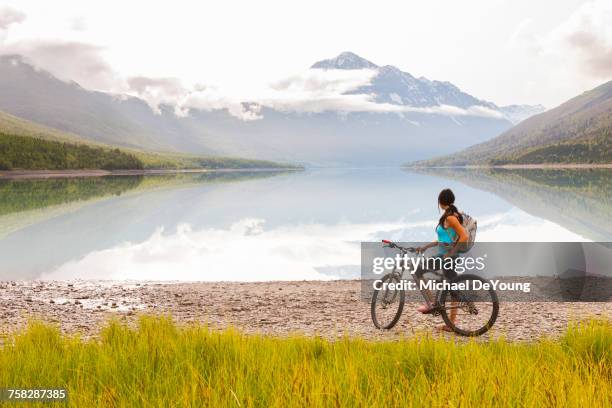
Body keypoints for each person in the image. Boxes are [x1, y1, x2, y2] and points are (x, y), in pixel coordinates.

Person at [414, 188, 468, 332]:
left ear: (440, 201)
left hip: (447, 258)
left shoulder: (450, 217)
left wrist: (451, 253)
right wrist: (426, 246)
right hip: (448, 257)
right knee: (452, 289)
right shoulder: (451, 214)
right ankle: (450, 324)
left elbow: (464, 236)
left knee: (418, 270)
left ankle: (431, 303)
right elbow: (444, 238)